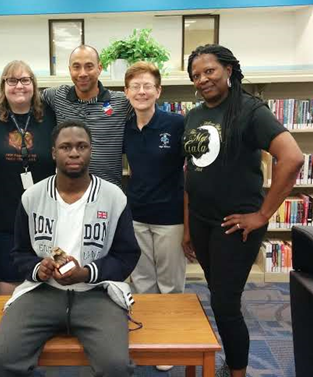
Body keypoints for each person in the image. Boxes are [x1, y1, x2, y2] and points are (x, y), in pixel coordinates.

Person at [182, 44, 304, 377]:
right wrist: (189, 226)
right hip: (202, 221)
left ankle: (237, 370)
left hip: (236, 226)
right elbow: (191, 170)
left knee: (224, 302)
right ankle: (232, 360)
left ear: (229, 71)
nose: (203, 79)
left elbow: (292, 158)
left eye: (209, 71)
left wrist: (263, 214)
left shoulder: (251, 110)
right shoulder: (195, 114)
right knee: (219, 294)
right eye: (196, 75)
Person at [0, 120, 141, 377]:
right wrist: (39, 267)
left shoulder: (114, 197)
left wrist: (87, 273)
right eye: (66, 147)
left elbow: (127, 256)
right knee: (1, 359)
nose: (74, 153)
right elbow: (20, 252)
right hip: (42, 292)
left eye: (82, 146)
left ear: (91, 150)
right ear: (53, 153)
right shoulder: (32, 197)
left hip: (96, 292)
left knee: (115, 366)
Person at [123, 61, 186, 373]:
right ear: (126, 92)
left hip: (170, 216)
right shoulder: (126, 127)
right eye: (135, 86)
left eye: (148, 86)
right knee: (142, 282)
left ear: (158, 91)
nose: (142, 91)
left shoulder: (176, 124)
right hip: (136, 214)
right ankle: (148, 339)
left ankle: (170, 342)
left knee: (170, 284)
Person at [0, 60, 56, 295]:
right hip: (2, 210)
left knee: (45, 269)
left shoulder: (50, 114)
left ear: (34, 84)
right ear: (3, 85)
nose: (18, 86)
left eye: (25, 80)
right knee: (8, 274)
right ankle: (13, 319)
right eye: (11, 80)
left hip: (45, 210)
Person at [42, 45, 132, 187]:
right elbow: (25, 96)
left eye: (89, 66)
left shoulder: (122, 102)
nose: (82, 73)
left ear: (100, 68)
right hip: (68, 192)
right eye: (76, 67)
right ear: (70, 69)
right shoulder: (57, 96)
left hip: (108, 193)